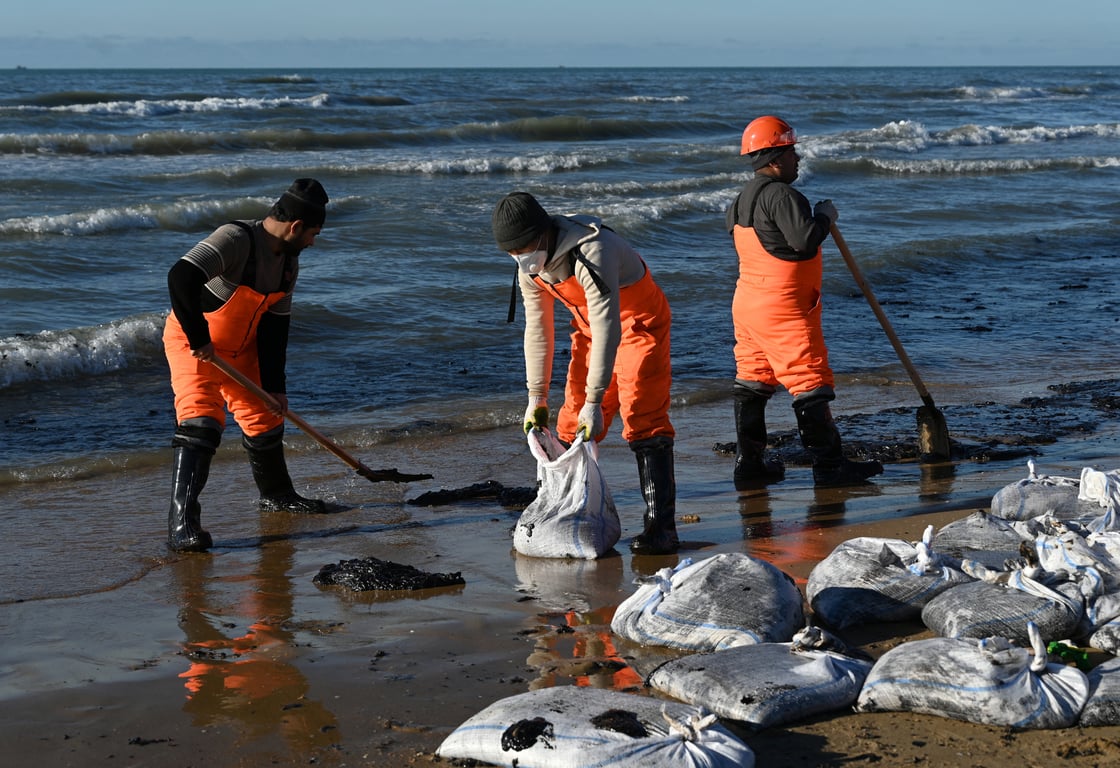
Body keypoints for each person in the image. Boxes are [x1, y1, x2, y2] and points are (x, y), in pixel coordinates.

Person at [492, 192, 678, 555]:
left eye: (525, 247)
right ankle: (557, 512)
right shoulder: (530, 266)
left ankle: (662, 527)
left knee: (642, 414)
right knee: (568, 421)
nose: (521, 258)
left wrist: (597, 400)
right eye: (513, 253)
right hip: (591, 330)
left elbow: (611, 325)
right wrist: (536, 397)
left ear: (543, 234)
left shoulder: (593, 250)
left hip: (638, 323)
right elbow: (538, 329)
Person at [163, 178, 330, 553]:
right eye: (312, 234)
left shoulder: (289, 265)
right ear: (295, 227)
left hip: (243, 348)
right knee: (202, 422)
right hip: (194, 345)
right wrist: (198, 337)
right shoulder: (235, 238)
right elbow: (180, 277)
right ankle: (181, 525)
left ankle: (277, 495)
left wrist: (276, 387)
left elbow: (275, 327)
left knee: (266, 416)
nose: (312, 243)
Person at [725, 116, 882, 488]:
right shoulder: (782, 195)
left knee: (752, 381)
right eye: (792, 152)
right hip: (782, 307)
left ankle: (750, 467)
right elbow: (805, 240)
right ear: (775, 157)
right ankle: (830, 468)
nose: (798, 159)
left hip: (748, 304)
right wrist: (825, 216)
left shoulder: (741, 199)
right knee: (808, 380)